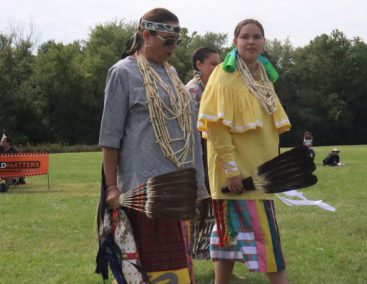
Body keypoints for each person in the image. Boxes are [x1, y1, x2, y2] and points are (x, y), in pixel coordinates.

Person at [98, 8, 207, 283]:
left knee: (179, 268)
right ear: (146, 35)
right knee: (146, 271)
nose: (172, 48)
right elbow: (110, 138)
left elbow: (190, 135)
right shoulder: (123, 72)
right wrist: (112, 187)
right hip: (142, 191)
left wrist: (198, 184)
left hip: (176, 188)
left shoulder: (172, 76)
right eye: (167, 41)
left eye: (176, 42)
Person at [198, 19, 291, 284]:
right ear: (235, 41)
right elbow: (216, 129)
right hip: (239, 177)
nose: (251, 42)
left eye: (257, 37)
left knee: (227, 241)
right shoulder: (224, 77)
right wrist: (232, 171)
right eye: (245, 37)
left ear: (264, 41)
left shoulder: (261, 75)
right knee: (267, 243)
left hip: (260, 171)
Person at [185, 47, 220, 260]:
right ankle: (186, 264)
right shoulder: (191, 92)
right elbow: (190, 135)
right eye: (213, 64)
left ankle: (220, 265)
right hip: (197, 161)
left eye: (219, 64)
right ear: (199, 65)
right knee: (194, 213)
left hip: (213, 159)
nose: (218, 68)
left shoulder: (215, 88)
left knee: (215, 215)